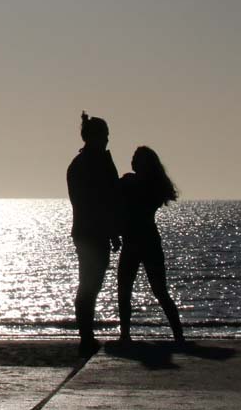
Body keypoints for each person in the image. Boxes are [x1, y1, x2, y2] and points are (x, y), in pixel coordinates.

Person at [67, 112, 121, 356]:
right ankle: (86, 337)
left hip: (87, 232)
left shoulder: (82, 164)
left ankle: (86, 336)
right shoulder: (94, 163)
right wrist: (112, 231)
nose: (108, 140)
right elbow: (105, 199)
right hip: (92, 233)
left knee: (90, 284)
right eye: (105, 135)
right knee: (89, 285)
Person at [117, 146, 184, 344]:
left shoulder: (138, 184)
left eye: (136, 158)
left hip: (139, 240)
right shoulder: (151, 184)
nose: (133, 161)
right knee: (151, 289)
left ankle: (126, 335)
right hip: (144, 239)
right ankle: (177, 335)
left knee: (137, 289)